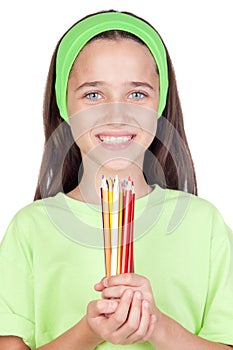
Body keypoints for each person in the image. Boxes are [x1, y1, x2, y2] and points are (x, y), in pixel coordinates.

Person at [0, 9, 233, 350]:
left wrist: (155, 325)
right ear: (65, 106)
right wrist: (89, 332)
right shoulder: (30, 228)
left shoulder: (204, 223)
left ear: (160, 104)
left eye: (137, 94)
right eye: (93, 95)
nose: (117, 113)